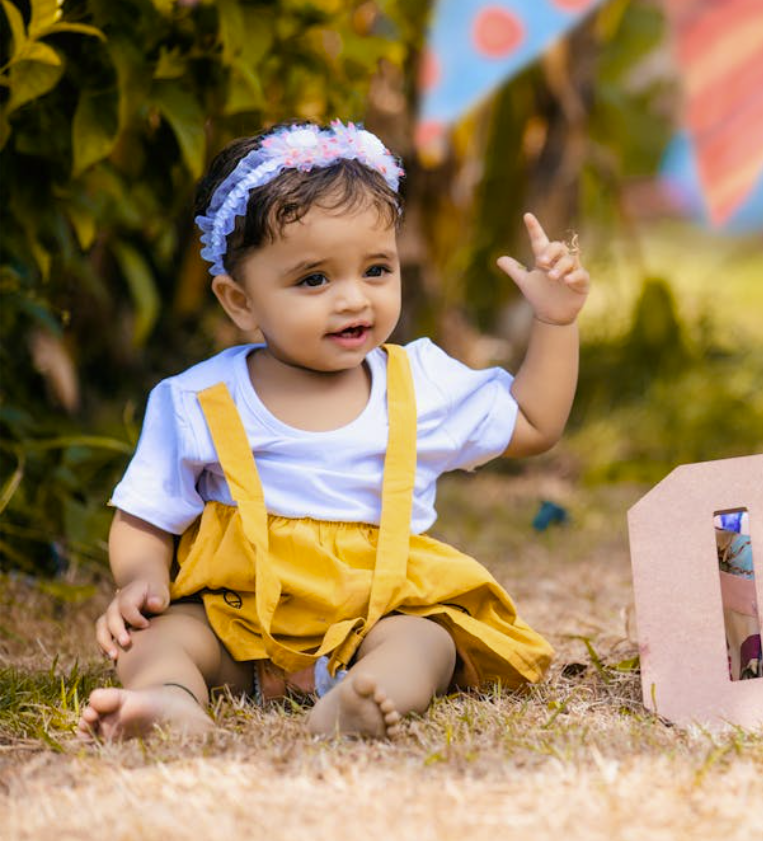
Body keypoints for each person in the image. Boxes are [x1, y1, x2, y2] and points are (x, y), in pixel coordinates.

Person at [79, 121, 588, 740]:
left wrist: (556, 324)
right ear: (240, 301)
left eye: (376, 270)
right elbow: (146, 515)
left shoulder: (419, 381)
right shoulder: (198, 400)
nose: (353, 300)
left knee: (426, 642)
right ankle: (170, 703)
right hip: (234, 621)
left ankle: (360, 701)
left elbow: (534, 423)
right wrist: (142, 579)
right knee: (156, 639)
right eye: (314, 279)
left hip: (374, 615)